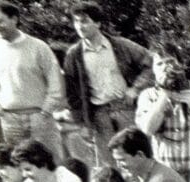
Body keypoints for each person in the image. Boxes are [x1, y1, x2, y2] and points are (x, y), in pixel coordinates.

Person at [60, 3, 152, 167]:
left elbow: (150, 63)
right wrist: (82, 124)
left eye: (85, 21)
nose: (80, 26)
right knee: (110, 164)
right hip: (99, 115)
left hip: (126, 109)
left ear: (98, 23)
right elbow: (72, 94)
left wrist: (136, 89)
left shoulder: (120, 45)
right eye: (76, 22)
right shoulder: (73, 55)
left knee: (139, 157)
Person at [134, 43, 190, 177]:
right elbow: (148, 129)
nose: (166, 68)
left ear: (181, 64)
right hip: (168, 173)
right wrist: (164, 96)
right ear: (153, 70)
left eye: (170, 61)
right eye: (160, 64)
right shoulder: (148, 96)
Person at [0, 2, 66, 160]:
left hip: (40, 118)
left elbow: (55, 82)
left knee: (51, 164)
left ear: (14, 19)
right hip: (10, 121)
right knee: (19, 168)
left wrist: (45, 112)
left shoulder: (39, 47)